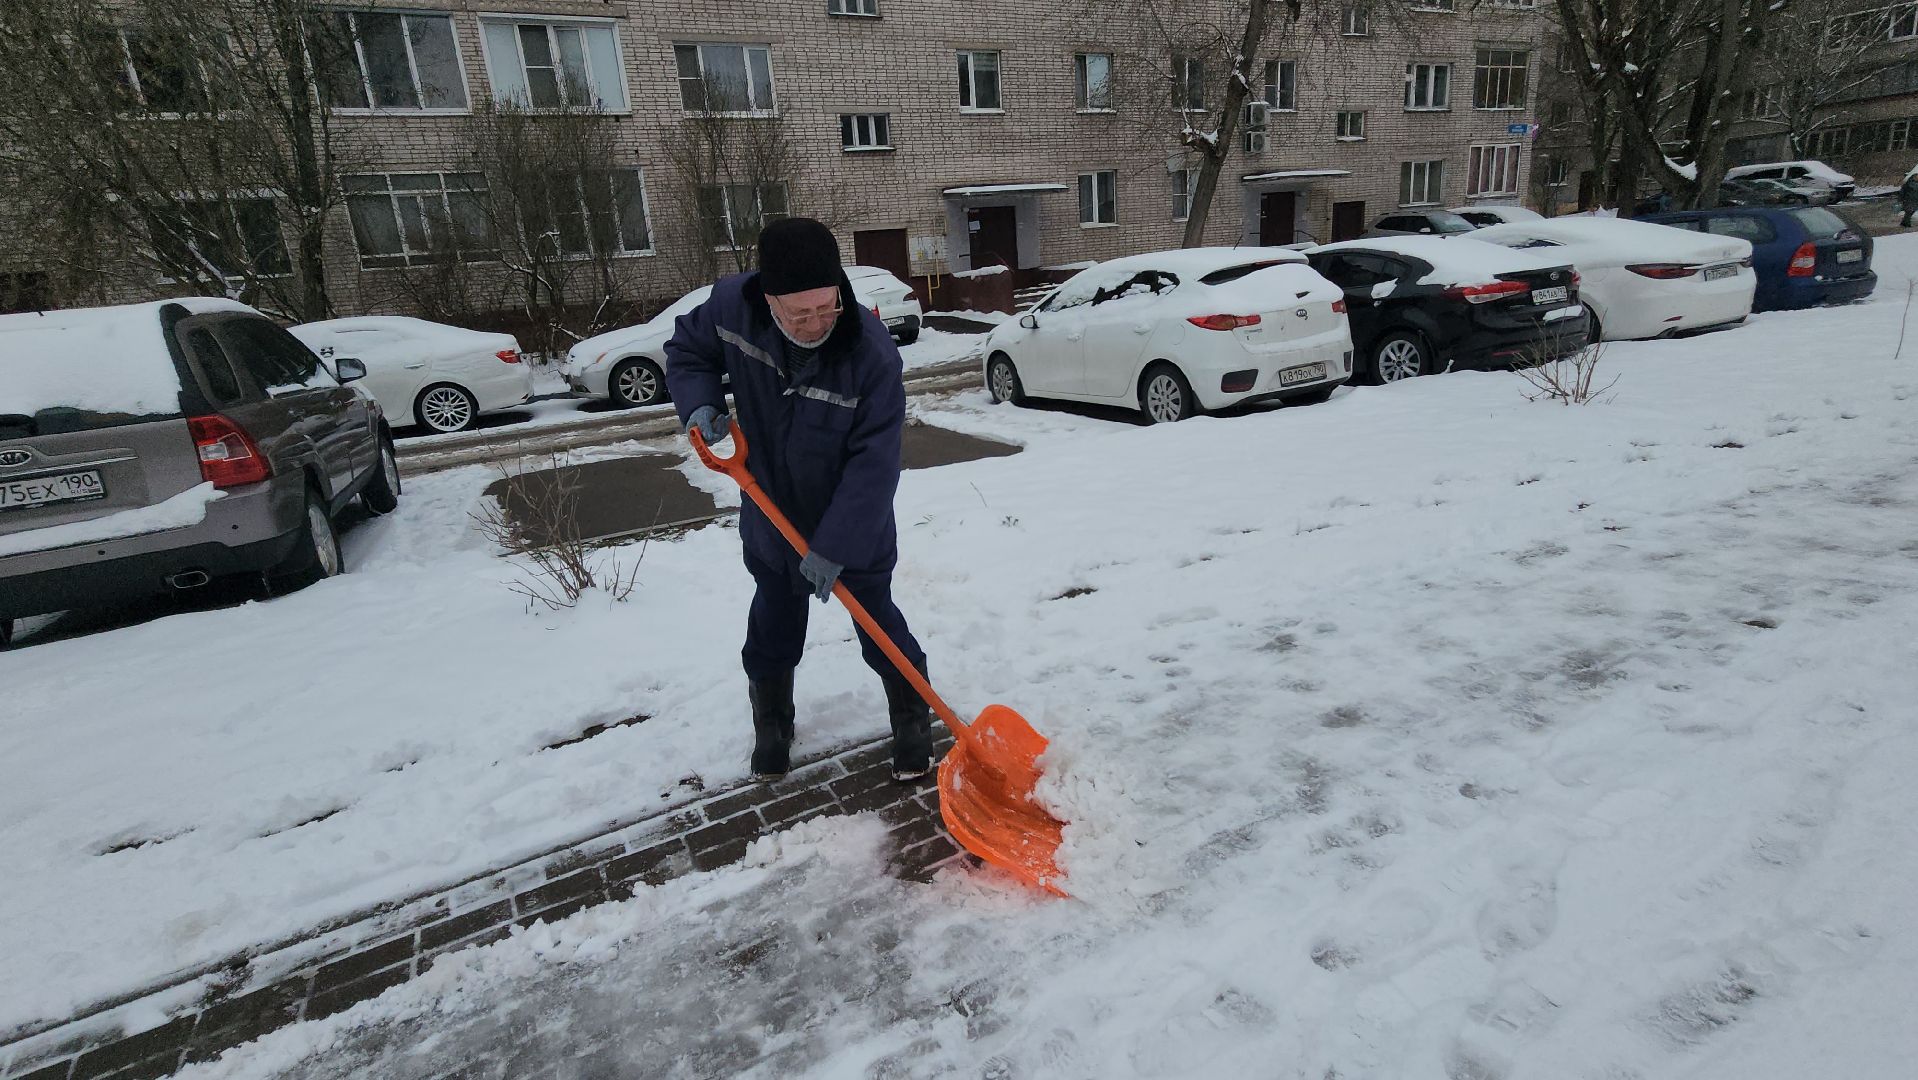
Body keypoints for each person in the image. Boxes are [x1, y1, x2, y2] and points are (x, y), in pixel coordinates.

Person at [664, 217, 934, 784]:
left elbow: (875, 463)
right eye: (800, 314)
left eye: (827, 308)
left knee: (877, 620)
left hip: (851, 519)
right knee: (773, 618)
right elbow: (687, 351)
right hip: (769, 510)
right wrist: (699, 402)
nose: (817, 324)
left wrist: (836, 545)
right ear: (769, 301)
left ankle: (912, 717)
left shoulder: (871, 355)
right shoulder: (730, 308)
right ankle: (772, 721)